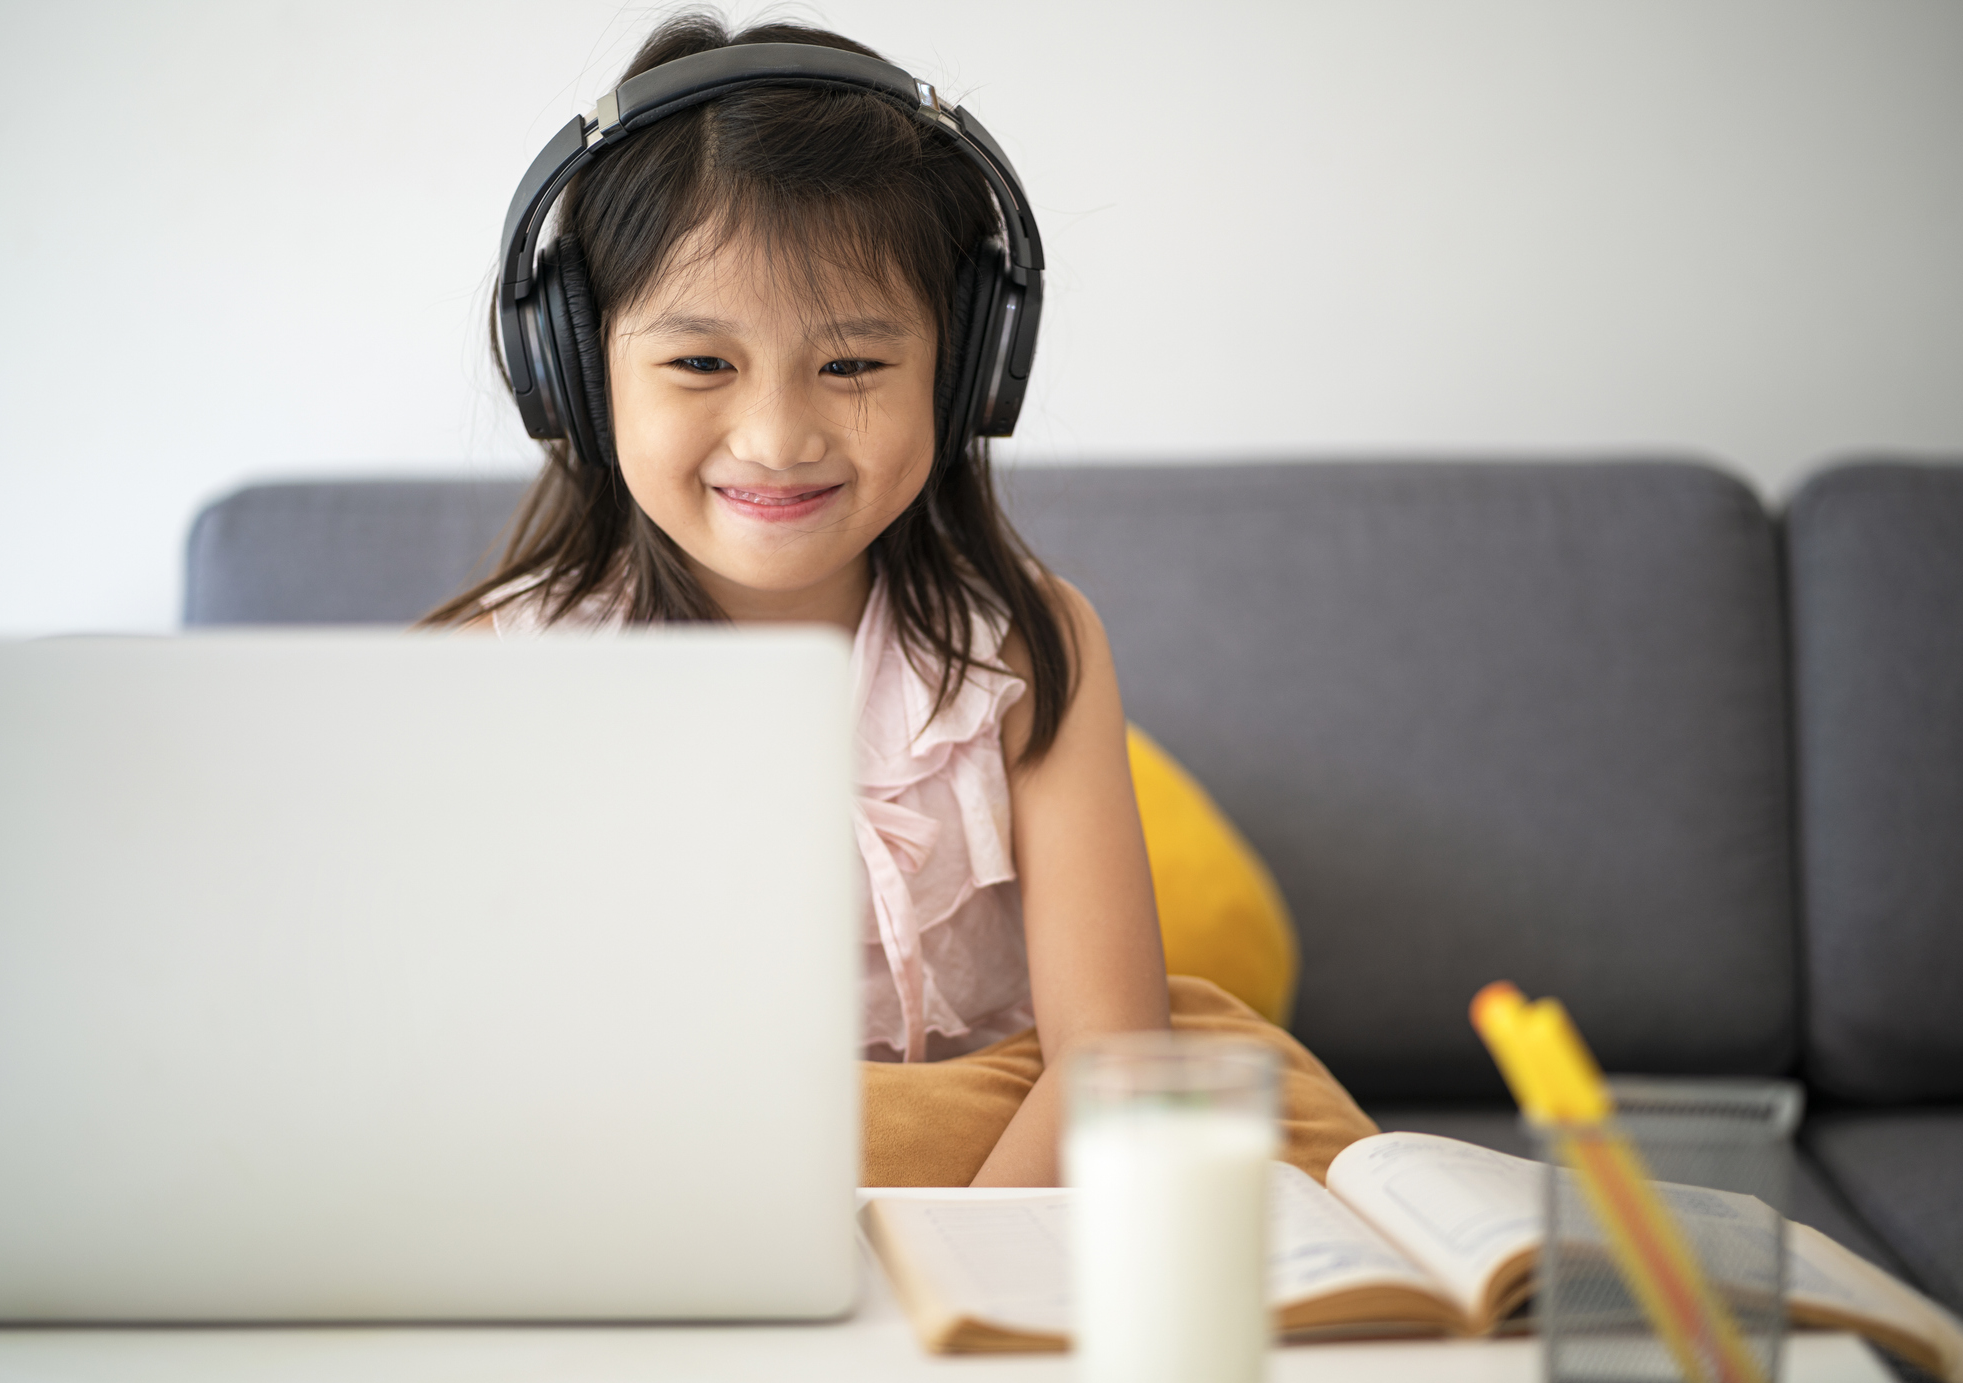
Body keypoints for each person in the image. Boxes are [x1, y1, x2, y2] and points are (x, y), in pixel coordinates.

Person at [426, 14, 1375, 1186]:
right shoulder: (486, 671)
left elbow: (1108, 1058)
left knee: (1210, 1059)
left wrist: (957, 1289)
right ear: (575, 368)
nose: (777, 438)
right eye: (701, 363)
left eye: (853, 365)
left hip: (990, 1187)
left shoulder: (1029, 653)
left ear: (966, 367)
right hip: (644, 1187)